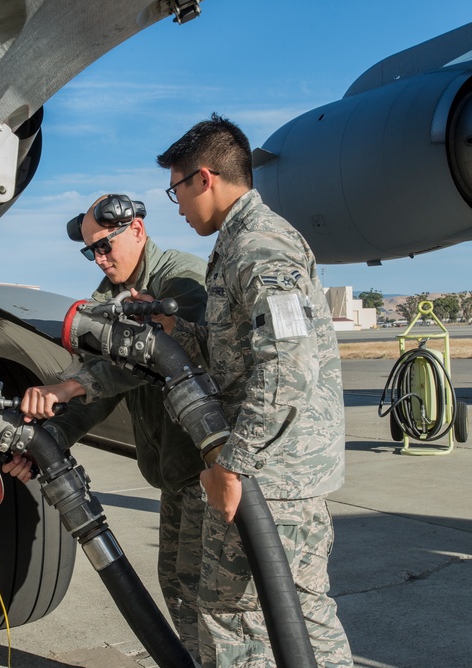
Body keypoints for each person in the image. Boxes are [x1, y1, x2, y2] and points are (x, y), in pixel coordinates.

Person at [149, 113, 353, 667]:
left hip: (270, 475)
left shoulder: (258, 245)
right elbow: (245, 352)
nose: (181, 207)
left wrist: (233, 465)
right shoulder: (241, 242)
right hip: (279, 469)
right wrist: (181, 335)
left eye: (177, 191)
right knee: (303, 614)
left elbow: (289, 361)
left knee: (236, 617)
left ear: (204, 178)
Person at [4, 193, 209, 659]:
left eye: (105, 245)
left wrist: (68, 386)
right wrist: (47, 440)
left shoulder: (184, 280)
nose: (99, 258)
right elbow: (100, 388)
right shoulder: (110, 296)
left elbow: (152, 361)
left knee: (213, 599)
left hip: (210, 469)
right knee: (178, 585)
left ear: (137, 229)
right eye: (90, 251)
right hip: (176, 474)